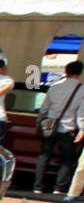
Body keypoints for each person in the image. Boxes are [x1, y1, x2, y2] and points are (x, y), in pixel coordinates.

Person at [35, 61, 84, 195]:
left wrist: (39, 122)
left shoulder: (54, 87)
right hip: (68, 129)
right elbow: (81, 113)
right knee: (67, 160)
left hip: (49, 127)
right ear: (80, 73)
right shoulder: (81, 89)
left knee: (44, 156)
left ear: (66, 71)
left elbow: (44, 108)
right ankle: (59, 188)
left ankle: (37, 187)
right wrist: (82, 129)